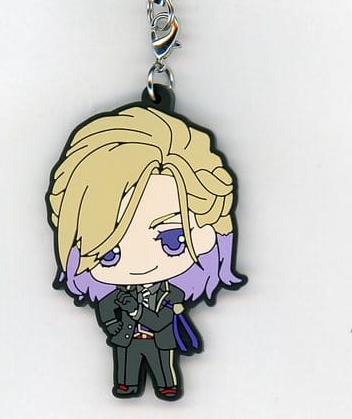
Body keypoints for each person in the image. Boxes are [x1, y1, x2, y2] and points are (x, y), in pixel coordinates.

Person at [47, 103, 246, 400]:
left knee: (163, 369)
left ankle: (166, 385)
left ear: (211, 231)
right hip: (126, 340)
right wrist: (115, 328)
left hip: (160, 342)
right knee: (126, 370)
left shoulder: (172, 294)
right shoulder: (116, 293)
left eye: (173, 239)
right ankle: (126, 385)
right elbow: (106, 309)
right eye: (109, 251)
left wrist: (134, 310)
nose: (141, 264)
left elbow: (161, 320)